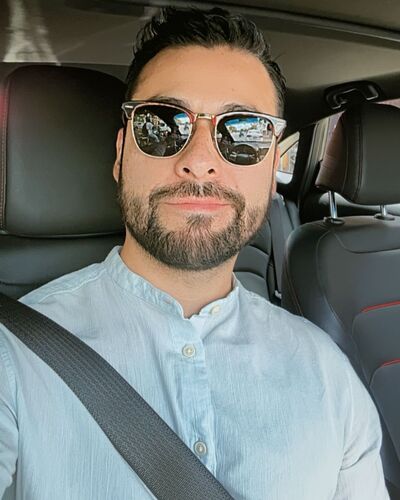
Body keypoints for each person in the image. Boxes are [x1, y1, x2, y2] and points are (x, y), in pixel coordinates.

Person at [0, 7, 389, 500]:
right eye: (163, 124)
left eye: (244, 131)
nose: (200, 161)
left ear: (273, 168)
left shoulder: (329, 376)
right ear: (121, 154)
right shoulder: (13, 358)